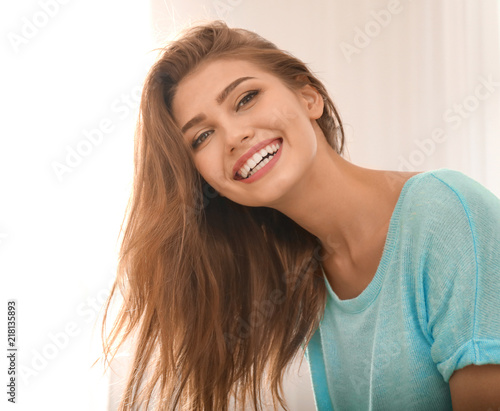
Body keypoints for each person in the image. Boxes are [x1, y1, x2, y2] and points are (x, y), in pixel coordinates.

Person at [102, 20, 500, 410]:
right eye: (202, 137)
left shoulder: (446, 213)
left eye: (246, 98)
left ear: (309, 97)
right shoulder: (309, 278)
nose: (234, 135)